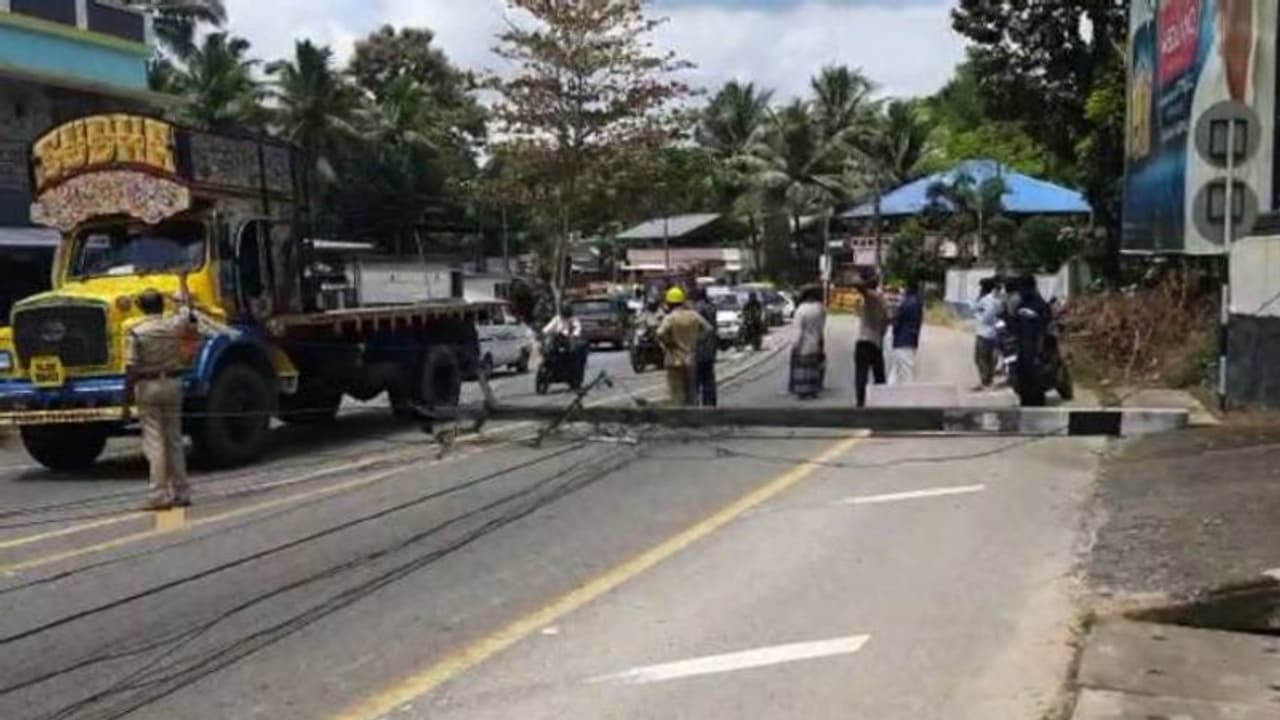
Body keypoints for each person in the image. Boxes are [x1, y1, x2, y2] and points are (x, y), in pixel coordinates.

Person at [125, 289, 195, 511]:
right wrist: (182, 297)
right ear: (161, 306)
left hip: (148, 385)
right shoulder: (173, 326)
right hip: (174, 383)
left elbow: (131, 367)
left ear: (142, 307)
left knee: (155, 442)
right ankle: (182, 492)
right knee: (174, 439)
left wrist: (125, 400)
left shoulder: (136, 332)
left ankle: (159, 495)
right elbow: (187, 315)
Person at [657, 286, 712, 406]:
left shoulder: (670, 318)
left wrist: (668, 342)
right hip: (690, 359)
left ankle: (680, 419)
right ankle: (692, 417)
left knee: (677, 394)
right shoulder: (693, 315)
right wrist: (697, 340)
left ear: (669, 303)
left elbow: (660, 333)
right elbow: (708, 329)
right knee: (691, 392)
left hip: (674, 360)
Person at [853, 274, 888, 407]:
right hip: (877, 342)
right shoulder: (882, 300)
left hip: (864, 341)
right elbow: (886, 322)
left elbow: (860, 287)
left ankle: (860, 403)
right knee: (879, 375)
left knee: (861, 375)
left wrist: (861, 283)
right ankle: (881, 402)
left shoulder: (870, 297)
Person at [789, 285, 827, 399]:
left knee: (802, 368)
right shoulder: (820, 308)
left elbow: (798, 330)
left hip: (803, 345)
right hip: (816, 342)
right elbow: (821, 327)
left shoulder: (801, 310)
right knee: (814, 367)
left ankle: (802, 391)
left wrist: (795, 346)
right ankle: (813, 389)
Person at [888, 279, 923, 385]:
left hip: (902, 341)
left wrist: (892, 320)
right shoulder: (917, 302)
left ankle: (906, 399)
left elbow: (897, 320)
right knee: (897, 372)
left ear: (908, 289)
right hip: (910, 341)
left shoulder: (907, 303)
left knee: (904, 374)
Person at [973, 277, 1001, 389]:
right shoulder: (995, 298)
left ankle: (985, 381)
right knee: (988, 357)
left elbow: (986, 316)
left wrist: (977, 315)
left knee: (980, 357)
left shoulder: (987, 299)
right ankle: (988, 379)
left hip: (984, 332)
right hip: (993, 332)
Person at [693, 289, 719, 407]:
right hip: (710, 348)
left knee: (696, 381)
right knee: (709, 380)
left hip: (698, 348)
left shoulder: (696, 309)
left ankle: (696, 407)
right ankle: (710, 406)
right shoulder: (712, 307)